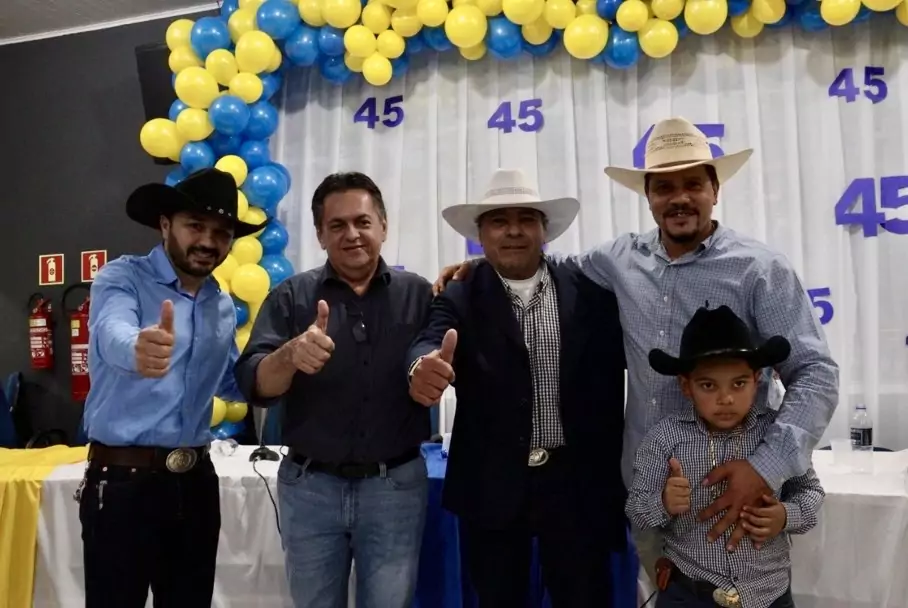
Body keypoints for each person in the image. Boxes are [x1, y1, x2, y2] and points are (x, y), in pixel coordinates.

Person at [433, 118, 839, 580]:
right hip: (648, 498)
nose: (679, 198)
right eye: (664, 187)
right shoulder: (618, 260)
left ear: (715, 191)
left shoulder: (759, 270)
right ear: (648, 197)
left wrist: (763, 467)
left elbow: (816, 374)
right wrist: (479, 264)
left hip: (733, 491)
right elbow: (540, 263)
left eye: (692, 184)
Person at [408, 169, 627, 607]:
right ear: (480, 235)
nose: (512, 230)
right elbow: (429, 340)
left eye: (526, 218)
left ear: (544, 230)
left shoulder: (592, 289)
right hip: (492, 485)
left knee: (585, 597)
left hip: (577, 486)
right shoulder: (458, 295)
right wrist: (421, 367)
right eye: (498, 220)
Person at [234, 172, 434, 608]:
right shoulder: (291, 296)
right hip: (310, 489)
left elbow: (436, 351)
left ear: (383, 225)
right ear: (320, 235)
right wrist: (288, 358)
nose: (352, 234)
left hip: (394, 489)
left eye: (363, 222)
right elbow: (254, 383)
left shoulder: (419, 295)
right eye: (337, 225)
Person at [78, 168, 266, 607]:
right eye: (195, 226)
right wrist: (139, 348)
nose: (207, 241)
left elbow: (228, 382)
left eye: (221, 232)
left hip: (196, 483)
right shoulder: (121, 277)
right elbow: (112, 331)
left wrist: (285, 367)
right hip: (123, 484)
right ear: (165, 224)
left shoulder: (221, 302)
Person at [626, 304, 825, 608]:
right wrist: (664, 503)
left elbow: (811, 493)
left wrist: (785, 515)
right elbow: (636, 510)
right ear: (686, 386)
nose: (726, 398)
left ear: (756, 379)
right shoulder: (665, 438)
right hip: (689, 592)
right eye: (708, 385)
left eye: (739, 383)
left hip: (768, 594)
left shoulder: (776, 434)